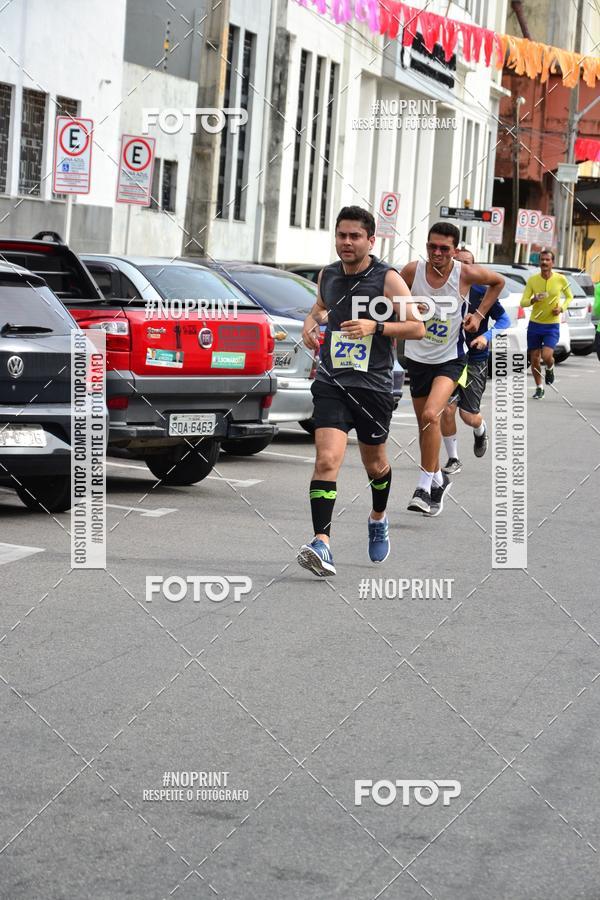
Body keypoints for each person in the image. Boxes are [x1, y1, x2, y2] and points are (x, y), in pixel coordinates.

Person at [297, 205, 425, 577]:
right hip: (332, 382)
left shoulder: (387, 279)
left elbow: (417, 327)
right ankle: (322, 542)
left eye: (355, 236)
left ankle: (378, 517)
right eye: (341, 235)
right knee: (326, 460)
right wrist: (309, 326)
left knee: (375, 464)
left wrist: (376, 327)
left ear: (371, 240)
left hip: (373, 387)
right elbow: (320, 309)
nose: (347, 242)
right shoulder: (329, 275)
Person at [400, 223, 505, 516]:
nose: (437, 253)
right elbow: (390, 294)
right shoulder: (412, 271)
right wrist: (406, 311)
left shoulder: (465, 273)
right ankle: (439, 479)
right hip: (418, 357)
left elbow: (498, 282)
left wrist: (479, 314)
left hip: (451, 357)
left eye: (444, 248)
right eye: (432, 246)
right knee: (425, 426)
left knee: (432, 413)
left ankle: (423, 486)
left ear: (455, 250)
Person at [440, 247, 511, 475]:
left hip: (475, 359)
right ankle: (453, 459)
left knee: (468, 415)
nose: (463, 268)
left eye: (468, 264)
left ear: (474, 266)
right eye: (458, 263)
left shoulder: (482, 291)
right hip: (450, 357)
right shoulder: (444, 289)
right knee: (448, 410)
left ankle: (480, 430)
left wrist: (485, 336)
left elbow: (505, 321)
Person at [520, 249, 573, 398]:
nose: (544, 262)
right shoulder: (532, 280)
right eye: (542, 260)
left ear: (552, 262)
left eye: (547, 260)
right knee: (534, 358)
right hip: (535, 324)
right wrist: (533, 299)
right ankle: (539, 387)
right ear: (539, 262)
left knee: (547, 355)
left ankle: (550, 366)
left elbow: (570, 297)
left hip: (552, 325)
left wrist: (561, 308)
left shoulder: (561, 279)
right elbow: (523, 302)